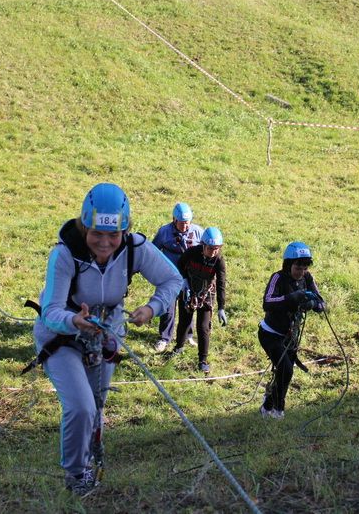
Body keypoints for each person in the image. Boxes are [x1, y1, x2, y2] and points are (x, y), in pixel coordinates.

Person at [32, 183, 182, 495]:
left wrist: (152, 308)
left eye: (113, 235)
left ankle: (92, 458)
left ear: (124, 231)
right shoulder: (64, 256)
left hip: (106, 336)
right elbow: (51, 311)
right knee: (82, 407)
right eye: (96, 234)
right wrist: (75, 320)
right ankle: (76, 475)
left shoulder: (134, 248)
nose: (105, 243)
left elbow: (172, 279)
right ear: (84, 227)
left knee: (97, 405)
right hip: (61, 338)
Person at [258, 241, 325, 419]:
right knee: (286, 369)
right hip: (270, 334)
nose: (301, 271)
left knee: (284, 372)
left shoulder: (307, 278)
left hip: (290, 337)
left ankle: (268, 405)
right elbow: (267, 302)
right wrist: (290, 298)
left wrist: (313, 304)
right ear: (288, 265)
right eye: (297, 267)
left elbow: (321, 302)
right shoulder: (277, 278)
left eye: (304, 267)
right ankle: (279, 410)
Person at [170, 227, 227, 374]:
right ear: (203, 245)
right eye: (210, 248)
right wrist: (183, 280)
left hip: (206, 294)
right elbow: (179, 265)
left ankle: (202, 360)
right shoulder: (192, 253)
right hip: (189, 288)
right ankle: (179, 347)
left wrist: (221, 307)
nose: (213, 252)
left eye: (217, 248)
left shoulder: (218, 260)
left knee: (203, 327)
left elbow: (221, 283)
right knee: (184, 321)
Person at [151, 202, 203, 352]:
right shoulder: (164, 232)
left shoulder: (198, 232)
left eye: (187, 223)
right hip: (169, 276)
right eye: (182, 223)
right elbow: (153, 251)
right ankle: (164, 338)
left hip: (190, 276)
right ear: (174, 220)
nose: (185, 226)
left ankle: (188, 335)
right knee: (167, 307)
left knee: (188, 305)